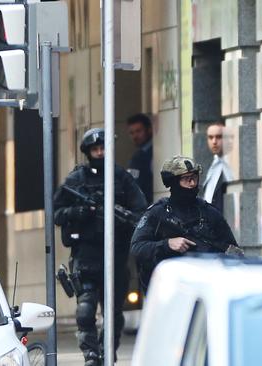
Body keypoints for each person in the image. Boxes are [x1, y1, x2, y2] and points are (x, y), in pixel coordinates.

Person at [53, 128, 147, 366]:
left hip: (115, 255)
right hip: (86, 255)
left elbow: (140, 211)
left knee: (113, 314)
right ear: (88, 152)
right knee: (85, 311)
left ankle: (107, 353)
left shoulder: (121, 178)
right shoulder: (76, 180)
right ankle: (91, 355)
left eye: (103, 148)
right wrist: (80, 212)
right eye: (96, 149)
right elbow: (57, 212)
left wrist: (120, 219)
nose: (100, 152)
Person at [131, 155, 241, 292]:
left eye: (194, 178)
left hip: (204, 288)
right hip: (168, 290)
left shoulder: (209, 213)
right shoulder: (157, 213)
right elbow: (137, 248)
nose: (192, 184)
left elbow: (233, 251)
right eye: (186, 179)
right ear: (174, 182)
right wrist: (167, 244)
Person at [201, 122, 233, 213]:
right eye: (210, 137)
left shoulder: (230, 165)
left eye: (219, 137)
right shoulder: (212, 166)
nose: (214, 142)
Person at [126, 113, 154, 204]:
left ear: (149, 130)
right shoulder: (139, 155)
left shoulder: (141, 157)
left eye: (138, 131)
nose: (135, 136)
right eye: (132, 133)